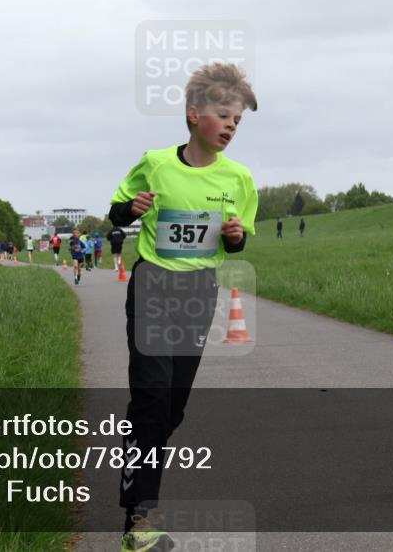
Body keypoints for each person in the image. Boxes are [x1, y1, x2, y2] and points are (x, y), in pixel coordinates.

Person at [108, 62, 258, 551]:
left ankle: (140, 458)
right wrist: (129, 210)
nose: (232, 125)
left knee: (171, 409)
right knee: (151, 399)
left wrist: (234, 237)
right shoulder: (155, 162)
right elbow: (116, 209)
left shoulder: (239, 180)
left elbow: (235, 245)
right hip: (153, 284)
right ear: (195, 115)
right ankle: (140, 521)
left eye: (238, 119)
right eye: (224, 114)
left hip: (199, 292)